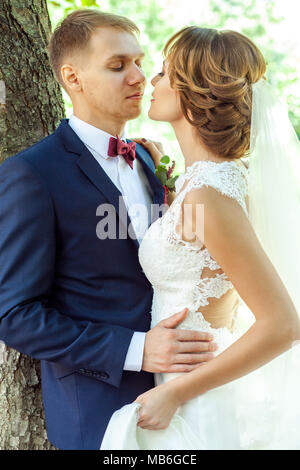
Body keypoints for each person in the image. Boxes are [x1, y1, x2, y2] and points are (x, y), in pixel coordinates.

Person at [0, 12, 217, 450]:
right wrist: (135, 350)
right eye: (117, 66)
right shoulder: (32, 175)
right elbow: (13, 315)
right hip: (98, 413)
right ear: (73, 77)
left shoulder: (147, 162)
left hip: (184, 398)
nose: (138, 77)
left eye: (139, 63)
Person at [100, 27, 300, 450]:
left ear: (196, 91)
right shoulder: (204, 184)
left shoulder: (211, 195)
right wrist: (166, 183)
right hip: (180, 387)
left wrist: (175, 392)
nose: (150, 82)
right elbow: (198, 251)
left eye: (162, 72)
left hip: (198, 398)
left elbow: (283, 325)